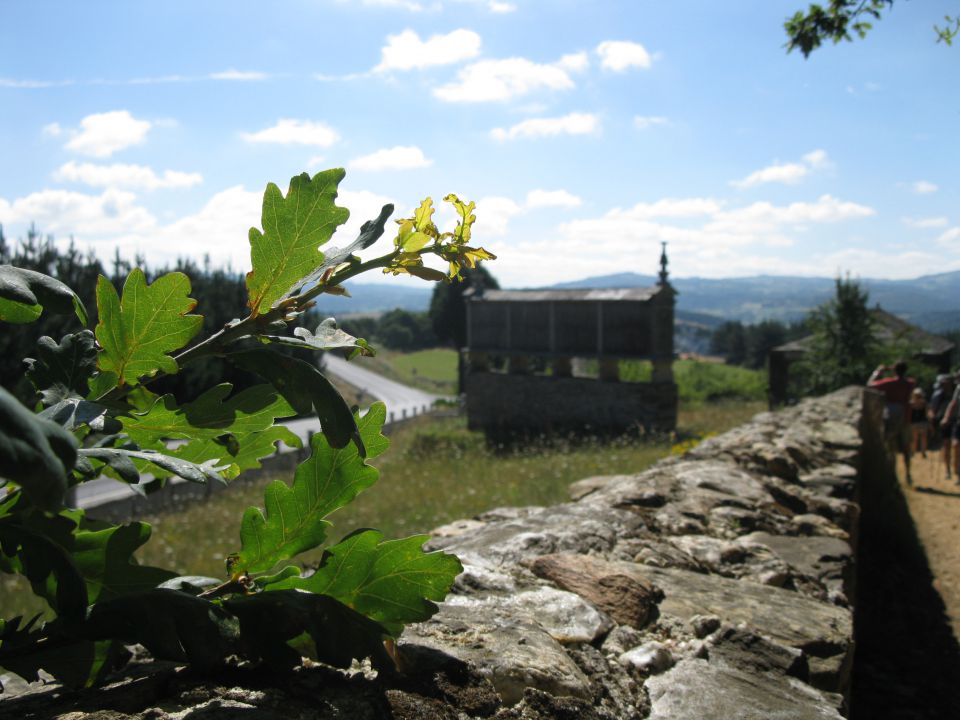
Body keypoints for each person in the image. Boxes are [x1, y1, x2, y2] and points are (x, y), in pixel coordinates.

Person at [868, 360, 917, 484]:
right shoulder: (910, 383)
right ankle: (908, 473)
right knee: (906, 448)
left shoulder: (889, 383)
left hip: (891, 417)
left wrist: (878, 372)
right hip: (905, 418)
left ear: (895, 370)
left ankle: (892, 475)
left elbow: (870, 385)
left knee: (891, 447)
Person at [928, 374, 956, 479]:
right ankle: (948, 470)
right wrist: (933, 421)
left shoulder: (956, 393)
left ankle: (955, 469)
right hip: (943, 423)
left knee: (955, 446)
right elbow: (932, 409)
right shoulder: (938, 395)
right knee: (947, 445)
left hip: (955, 421)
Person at [939, 371, 960, 485]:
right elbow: (953, 403)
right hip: (958, 422)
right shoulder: (959, 388)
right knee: (956, 446)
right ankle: (957, 473)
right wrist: (946, 418)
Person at [909, 386, 928, 458]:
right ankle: (913, 451)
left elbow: (926, 413)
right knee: (914, 438)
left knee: (923, 437)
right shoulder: (911, 403)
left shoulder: (924, 403)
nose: (918, 396)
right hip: (913, 422)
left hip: (922, 422)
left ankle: (923, 452)